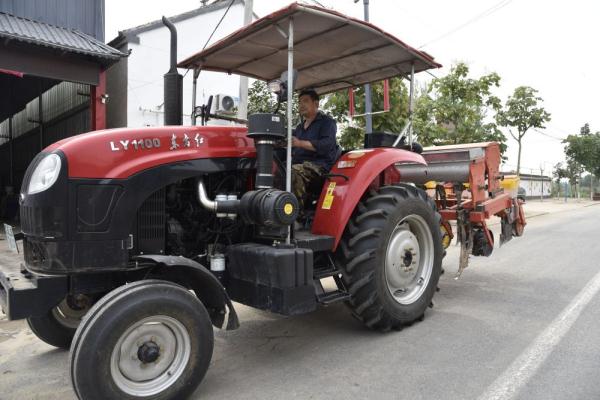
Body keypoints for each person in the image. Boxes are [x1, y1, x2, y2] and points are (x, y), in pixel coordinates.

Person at [291, 89, 338, 209]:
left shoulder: (327, 123)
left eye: (305, 101)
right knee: (278, 169)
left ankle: (295, 215)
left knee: (293, 172)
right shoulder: (299, 128)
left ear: (316, 104)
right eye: (299, 102)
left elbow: (326, 145)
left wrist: (300, 143)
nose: (301, 105)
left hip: (319, 166)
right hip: (299, 164)